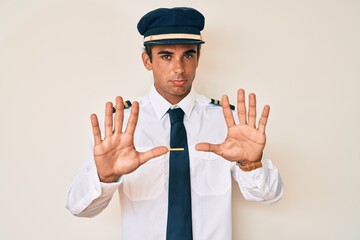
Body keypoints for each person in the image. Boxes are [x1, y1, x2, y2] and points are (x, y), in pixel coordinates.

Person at [65, 7, 283, 240]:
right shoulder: (121, 127)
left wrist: (251, 164)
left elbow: (270, 196)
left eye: (188, 55)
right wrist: (104, 177)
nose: (179, 68)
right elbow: (78, 207)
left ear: (199, 58)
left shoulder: (227, 122)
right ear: (147, 60)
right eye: (166, 56)